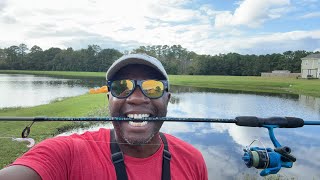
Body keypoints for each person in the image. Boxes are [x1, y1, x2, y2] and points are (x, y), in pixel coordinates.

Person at [0, 54, 208, 180]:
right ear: (109, 98)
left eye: (152, 88)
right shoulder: (67, 152)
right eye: (121, 87)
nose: (136, 99)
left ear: (168, 99)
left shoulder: (193, 160)